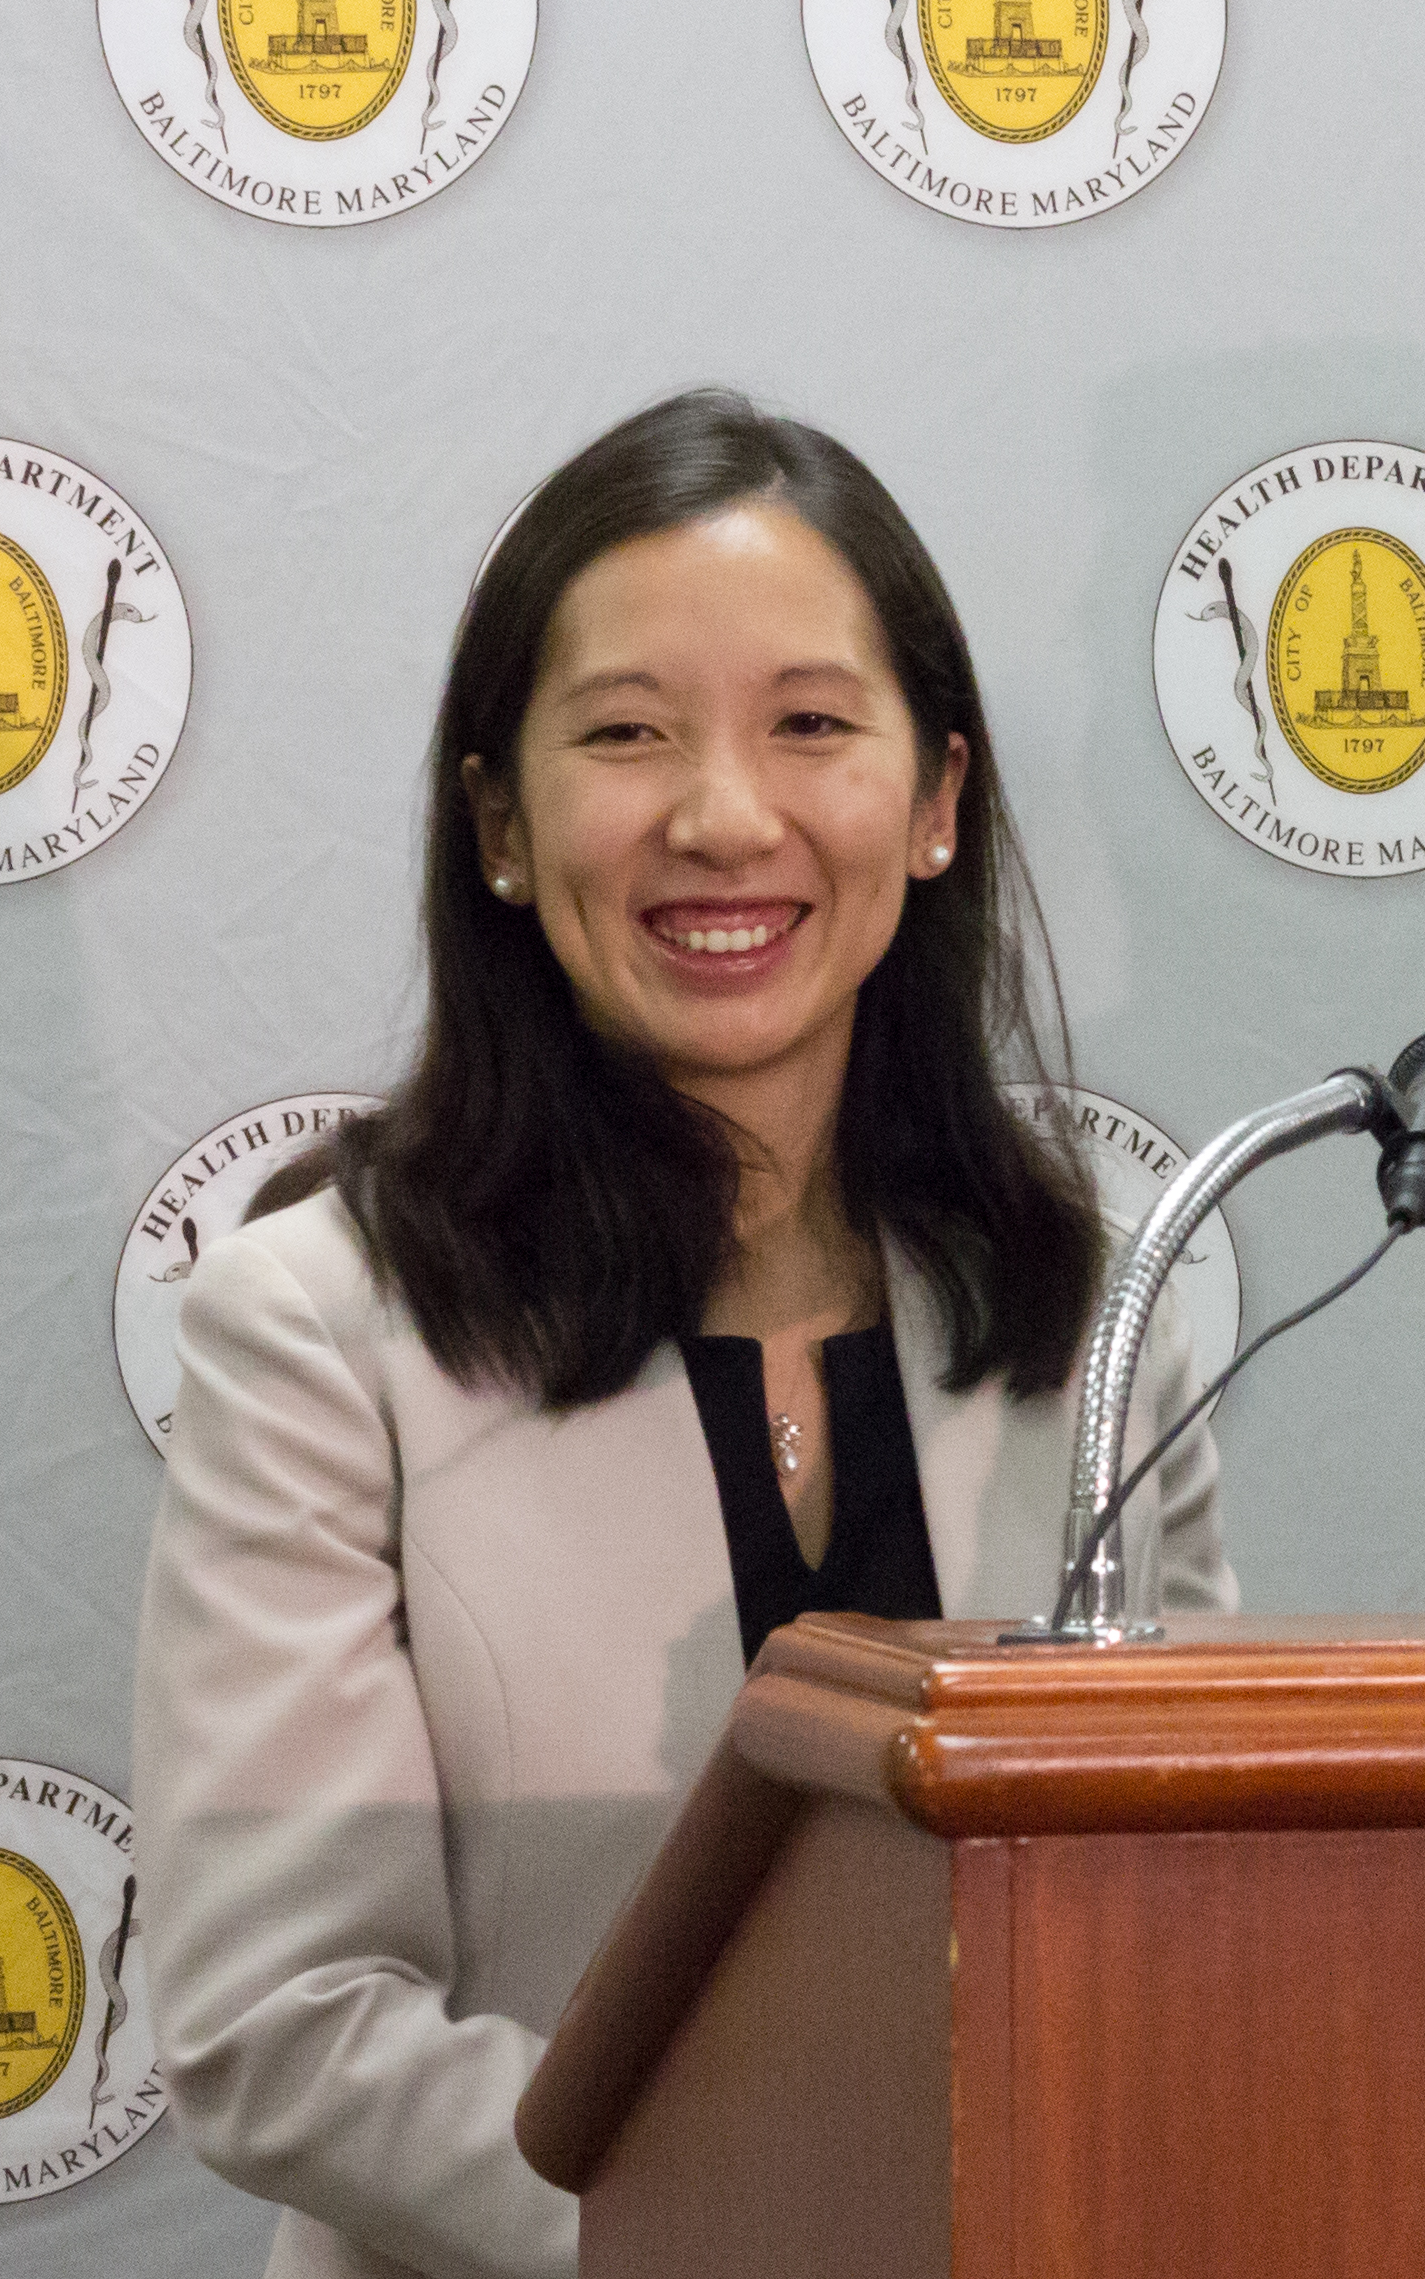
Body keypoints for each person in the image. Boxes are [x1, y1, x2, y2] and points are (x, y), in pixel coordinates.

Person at [131, 391, 1233, 2279]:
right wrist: (762, 2234)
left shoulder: (1094, 1307)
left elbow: (1187, 1916)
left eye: (812, 726)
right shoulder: (323, 1329)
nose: (724, 818)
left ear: (940, 799)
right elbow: (281, 2028)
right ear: (499, 821)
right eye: (627, 736)